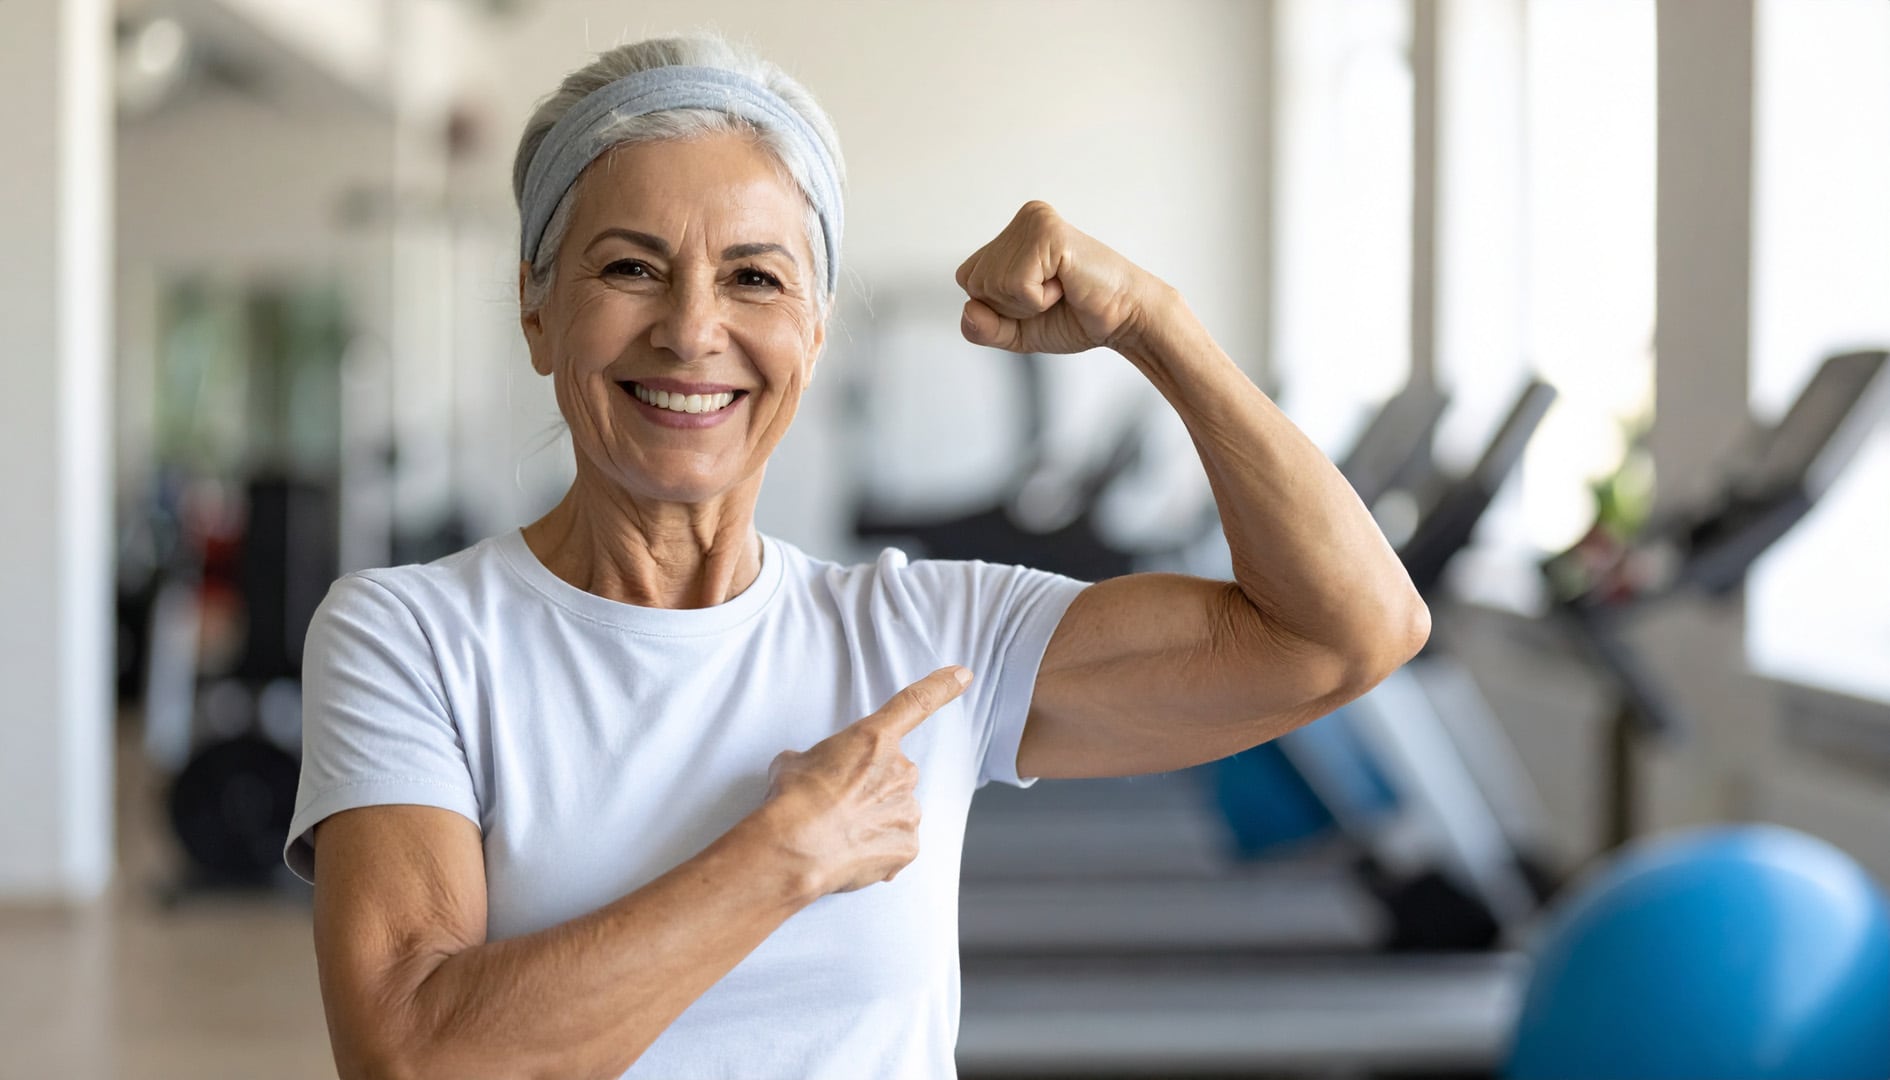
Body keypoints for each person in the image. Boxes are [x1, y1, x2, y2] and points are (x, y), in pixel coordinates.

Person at [284, 32, 1429, 1080]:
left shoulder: (927, 639)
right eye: (630, 269)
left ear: (815, 331)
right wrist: (782, 855)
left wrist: (1153, 323)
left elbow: (1347, 633)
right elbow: (411, 1055)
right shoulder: (411, 635)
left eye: (754, 277)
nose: (692, 329)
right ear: (538, 311)